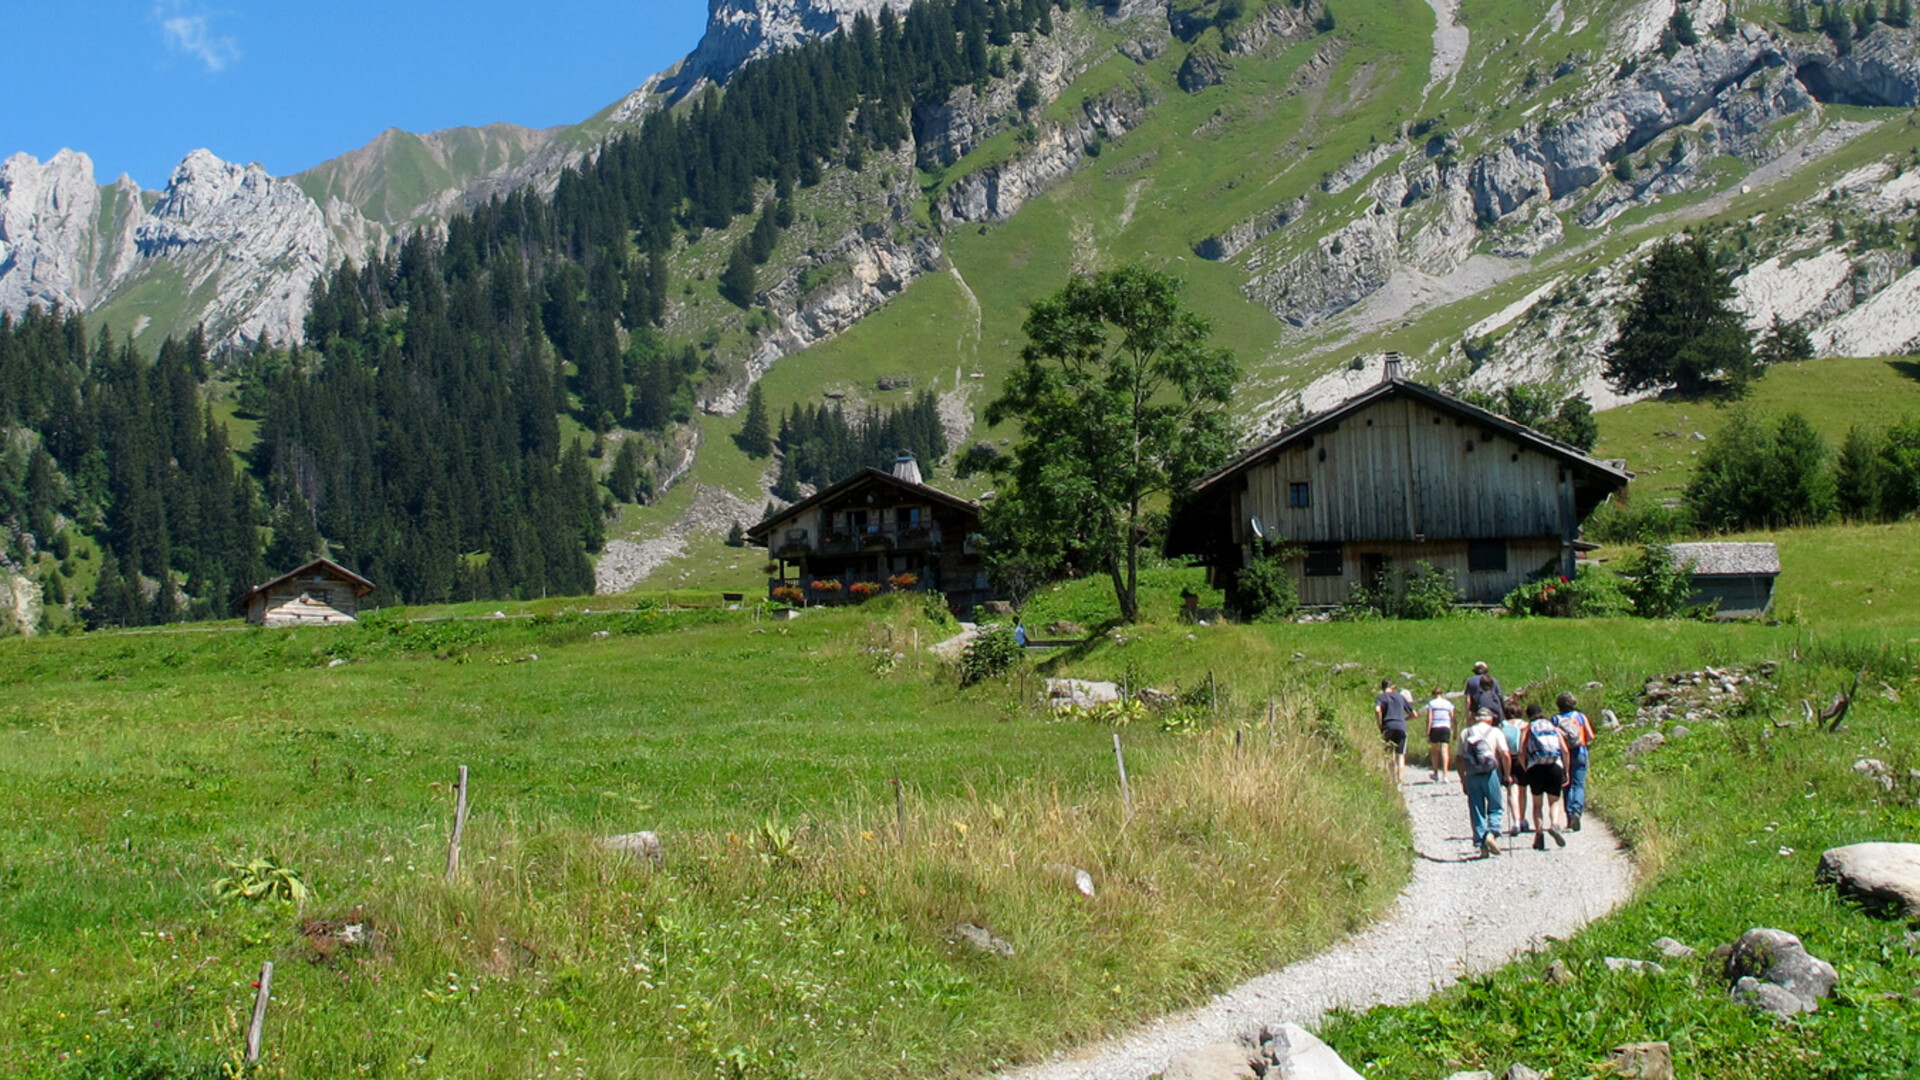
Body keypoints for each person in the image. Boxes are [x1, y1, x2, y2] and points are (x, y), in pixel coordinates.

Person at [1458, 707, 1510, 857]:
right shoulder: (1495, 732)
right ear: (1490, 718)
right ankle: (1492, 833)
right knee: (1495, 806)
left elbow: (1459, 758)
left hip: (1472, 774)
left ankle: (1482, 845)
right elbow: (1505, 754)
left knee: (1476, 808)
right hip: (1491, 773)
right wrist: (1507, 774)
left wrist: (1463, 780)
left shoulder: (1466, 732)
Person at [1522, 702, 1570, 850]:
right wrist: (1566, 771)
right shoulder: (1553, 728)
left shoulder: (1528, 728)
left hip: (1535, 768)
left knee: (1537, 804)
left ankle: (1539, 834)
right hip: (1554, 766)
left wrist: (1526, 768)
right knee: (1554, 801)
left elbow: (1521, 750)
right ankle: (1555, 825)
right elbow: (1565, 751)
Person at [1555, 691, 1596, 831]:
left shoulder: (1555, 719)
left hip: (1563, 754)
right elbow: (1590, 736)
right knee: (1578, 784)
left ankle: (1569, 816)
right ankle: (1577, 811)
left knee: (1566, 784)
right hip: (1580, 752)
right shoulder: (1580, 717)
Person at [1375, 678, 1410, 785]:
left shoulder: (1381, 698)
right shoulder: (1400, 697)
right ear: (1393, 687)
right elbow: (1415, 714)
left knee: (1389, 754)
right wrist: (1404, 719)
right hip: (1401, 727)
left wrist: (1380, 723)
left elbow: (1377, 710)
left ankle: (1391, 780)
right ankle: (1400, 781)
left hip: (1388, 727)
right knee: (1400, 755)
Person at [1500, 704, 1527, 835]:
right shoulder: (1524, 724)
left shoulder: (1501, 725)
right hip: (1521, 759)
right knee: (1522, 790)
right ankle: (1522, 818)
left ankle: (1515, 821)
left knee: (1512, 791)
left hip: (1506, 759)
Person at [1423, 686, 1455, 781]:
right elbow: (1453, 718)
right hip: (1445, 727)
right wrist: (1455, 730)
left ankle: (1436, 772)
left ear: (1433, 694)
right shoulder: (1448, 704)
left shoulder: (1431, 704)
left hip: (1435, 727)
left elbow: (1429, 719)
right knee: (1445, 751)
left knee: (1434, 751)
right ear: (1442, 694)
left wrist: (1428, 732)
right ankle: (1445, 775)